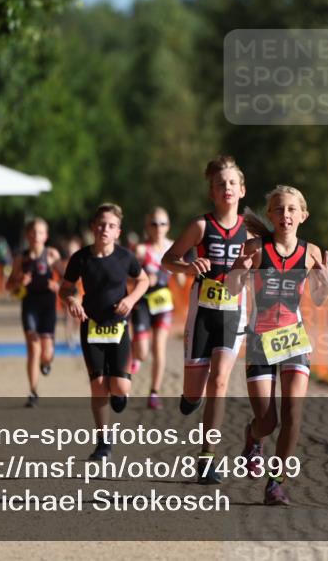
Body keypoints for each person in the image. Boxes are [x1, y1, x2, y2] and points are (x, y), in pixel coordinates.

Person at [227, 186, 328, 505]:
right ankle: (253, 437)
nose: (285, 214)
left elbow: (319, 298)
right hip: (259, 339)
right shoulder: (255, 248)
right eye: (279, 209)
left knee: (292, 414)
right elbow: (232, 289)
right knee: (267, 421)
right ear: (271, 215)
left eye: (291, 209)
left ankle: (276, 483)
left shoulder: (311, 253)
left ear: (303, 215)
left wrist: (326, 283)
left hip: (293, 338)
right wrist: (239, 270)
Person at [162, 155, 248, 484]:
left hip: (233, 314)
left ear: (242, 190)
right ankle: (190, 398)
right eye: (220, 184)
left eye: (232, 183)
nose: (227, 188)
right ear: (211, 192)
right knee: (194, 392)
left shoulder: (252, 230)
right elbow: (168, 259)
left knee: (220, 381)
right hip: (202, 315)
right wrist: (187, 267)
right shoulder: (200, 226)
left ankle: (208, 458)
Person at [60, 204, 149, 461]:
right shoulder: (80, 258)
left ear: (118, 231)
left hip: (118, 327)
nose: (105, 229)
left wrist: (130, 299)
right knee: (98, 386)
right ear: (93, 227)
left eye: (111, 226)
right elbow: (65, 288)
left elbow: (143, 280)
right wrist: (72, 300)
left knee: (119, 386)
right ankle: (103, 442)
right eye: (101, 224)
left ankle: (120, 393)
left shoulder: (125, 257)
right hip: (91, 326)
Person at [130, 207, 185, 410]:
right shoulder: (141, 250)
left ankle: (154, 393)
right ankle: (135, 354)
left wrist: (177, 271)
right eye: (154, 223)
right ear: (147, 226)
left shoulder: (174, 248)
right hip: (143, 303)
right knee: (143, 353)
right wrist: (145, 277)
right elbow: (129, 276)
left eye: (162, 223)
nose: (158, 227)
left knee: (159, 349)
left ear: (168, 226)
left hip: (163, 304)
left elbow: (181, 280)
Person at [6, 218, 64, 408]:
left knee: (46, 353)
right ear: (27, 235)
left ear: (45, 236)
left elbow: (68, 280)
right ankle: (33, 392)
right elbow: (9, 286)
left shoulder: (52, 255)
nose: (36, 236)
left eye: (40, 232)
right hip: (30, 305)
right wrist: (19, 282)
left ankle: (46, 363)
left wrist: (57, 285)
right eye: (32, 232)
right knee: (33, 347)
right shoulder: (20, 259)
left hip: (48, 306)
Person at [63, 235, 84, 347]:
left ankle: (76, 334)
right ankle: (68, 337)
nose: (71, 251)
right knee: (68, 316)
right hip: (69, 293)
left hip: (79, 292)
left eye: (73, 249)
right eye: (70, 249)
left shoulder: (82, 261)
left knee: (78, 316)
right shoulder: (65, 263)